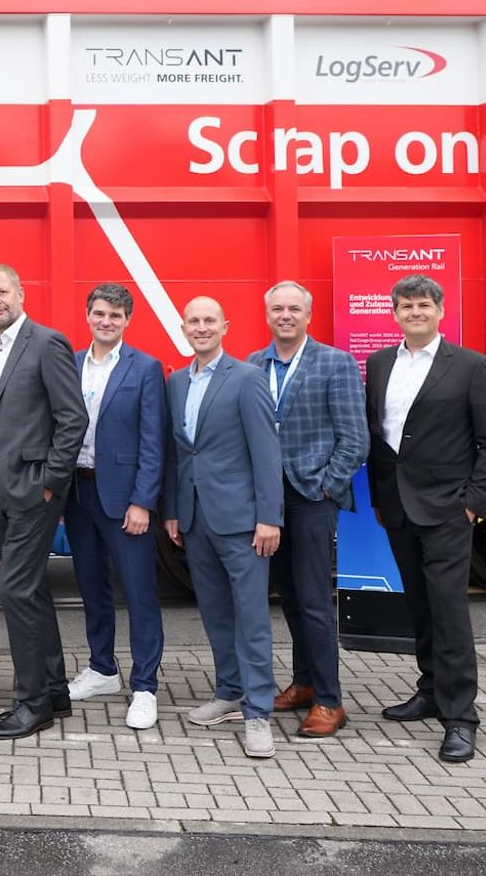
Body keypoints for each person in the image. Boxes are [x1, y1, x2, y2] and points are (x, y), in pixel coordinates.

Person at [364, 274, 486, 764]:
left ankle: (461, 717)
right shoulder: (380, 362)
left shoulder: (470, 366)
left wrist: (472, 501)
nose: (415, 313)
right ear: (395, 313)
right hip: (397, 506)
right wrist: (380, 497)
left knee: (449, 611)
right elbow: (380, 434)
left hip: (448, 508)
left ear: (440, 310)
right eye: (406, 306)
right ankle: (429, 691)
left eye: (423, 304)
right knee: (420, 606)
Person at [162, 295, 283, 759]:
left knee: (251, 617)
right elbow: (179, 454)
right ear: (184, 328)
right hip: (195, 519)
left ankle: (258, 713)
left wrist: (269, 517)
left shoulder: (248, 378)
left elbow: (266, 451)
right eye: (193, 321)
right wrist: (173, 509)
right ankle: (229, 692)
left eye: (209, 320)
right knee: (215, 612)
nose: (201, 327)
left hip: (241, 520)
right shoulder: (176, 382)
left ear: (225, 325)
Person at [0, 263, 87, 741]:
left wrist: (50, 482)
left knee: (15, 590)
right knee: (32, 588)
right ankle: (55, 691)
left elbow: (72, 418)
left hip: (32, 488)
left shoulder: (46, 342)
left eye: (2, 292)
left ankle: (31, 701)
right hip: (0, 485)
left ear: (20, 292)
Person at [247, 280, 366, 738]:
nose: (285, 315)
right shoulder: (254, 365)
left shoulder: (335, 363)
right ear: (267, 314)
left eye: (294, 308)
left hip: (311, 498)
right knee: (289, 596)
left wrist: (325, 488)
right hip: (267, 502)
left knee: (315, 599)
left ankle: (330, 701)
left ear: (308, 315)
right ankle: (304, 682)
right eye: (277, 308)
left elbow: (355, 438)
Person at [62, 284, 169, 731]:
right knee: (91, 588)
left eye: (116, 315)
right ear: (88, 315)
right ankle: (102, 669)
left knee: (140, 593)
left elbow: (153, 440)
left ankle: (144, 686)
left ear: (127, 320)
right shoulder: (69, 364)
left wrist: (143, 501)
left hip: (125, 499)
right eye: (100, 313)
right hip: (78, 493)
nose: (107, 321)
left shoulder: (144, 368)